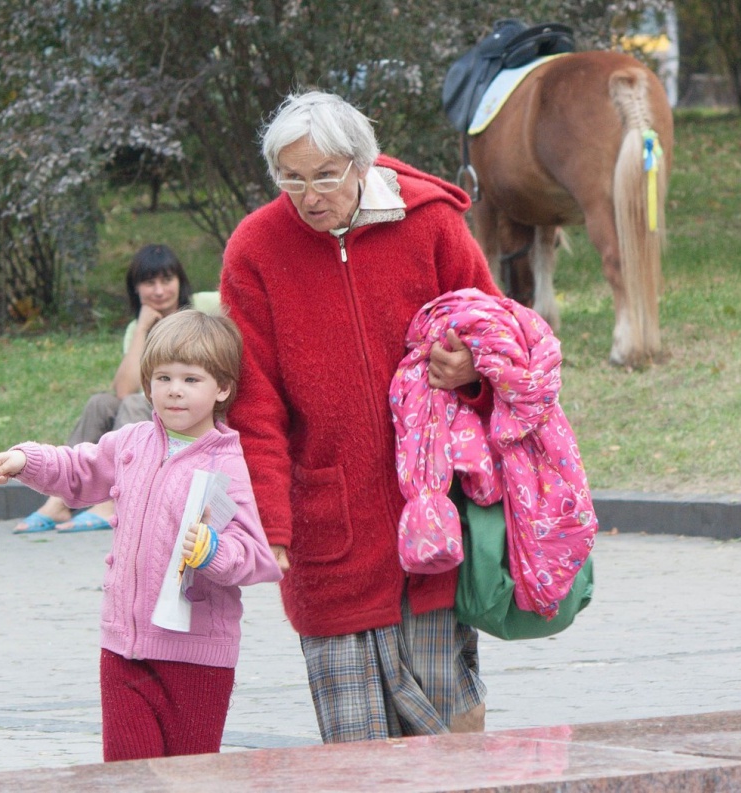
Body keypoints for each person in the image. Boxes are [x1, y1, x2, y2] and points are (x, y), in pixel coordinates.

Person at [219, 90, 502, 742]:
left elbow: (502, 339)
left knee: (452, 742)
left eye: (323, 175)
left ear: (360, 164)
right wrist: (269, 520)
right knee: (356, 759)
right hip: (328, 533)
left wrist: (473, 374)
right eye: (291, 178)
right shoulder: (255, 249)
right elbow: (253, 405)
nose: (308, 194)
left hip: (433, 524)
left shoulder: (430, 225)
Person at [0, 309, 282, 761]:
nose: (174, 390)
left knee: (188, 780)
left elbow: (257, 557)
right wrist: (27, 461)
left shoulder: (230, 465)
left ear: (222, 387)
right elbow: (79, 469)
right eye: (162, 377)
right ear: (148, 385)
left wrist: (214, 552)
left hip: (197, 657)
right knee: (128, 778)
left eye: (191, 379)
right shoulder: (131, 443)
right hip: (122, 648)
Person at [13, 244, 218, 533]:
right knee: (101, 402)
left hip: (197, 402)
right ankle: (60, 502)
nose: (159, 291)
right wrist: (144, 328)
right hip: (160, 403)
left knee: (134, 405)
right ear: (136, 289)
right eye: (149, 282)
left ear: (179, 281)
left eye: (166, 280)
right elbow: (123, 389)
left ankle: (111, 501)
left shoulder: (205, 305)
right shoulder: (139, 327)